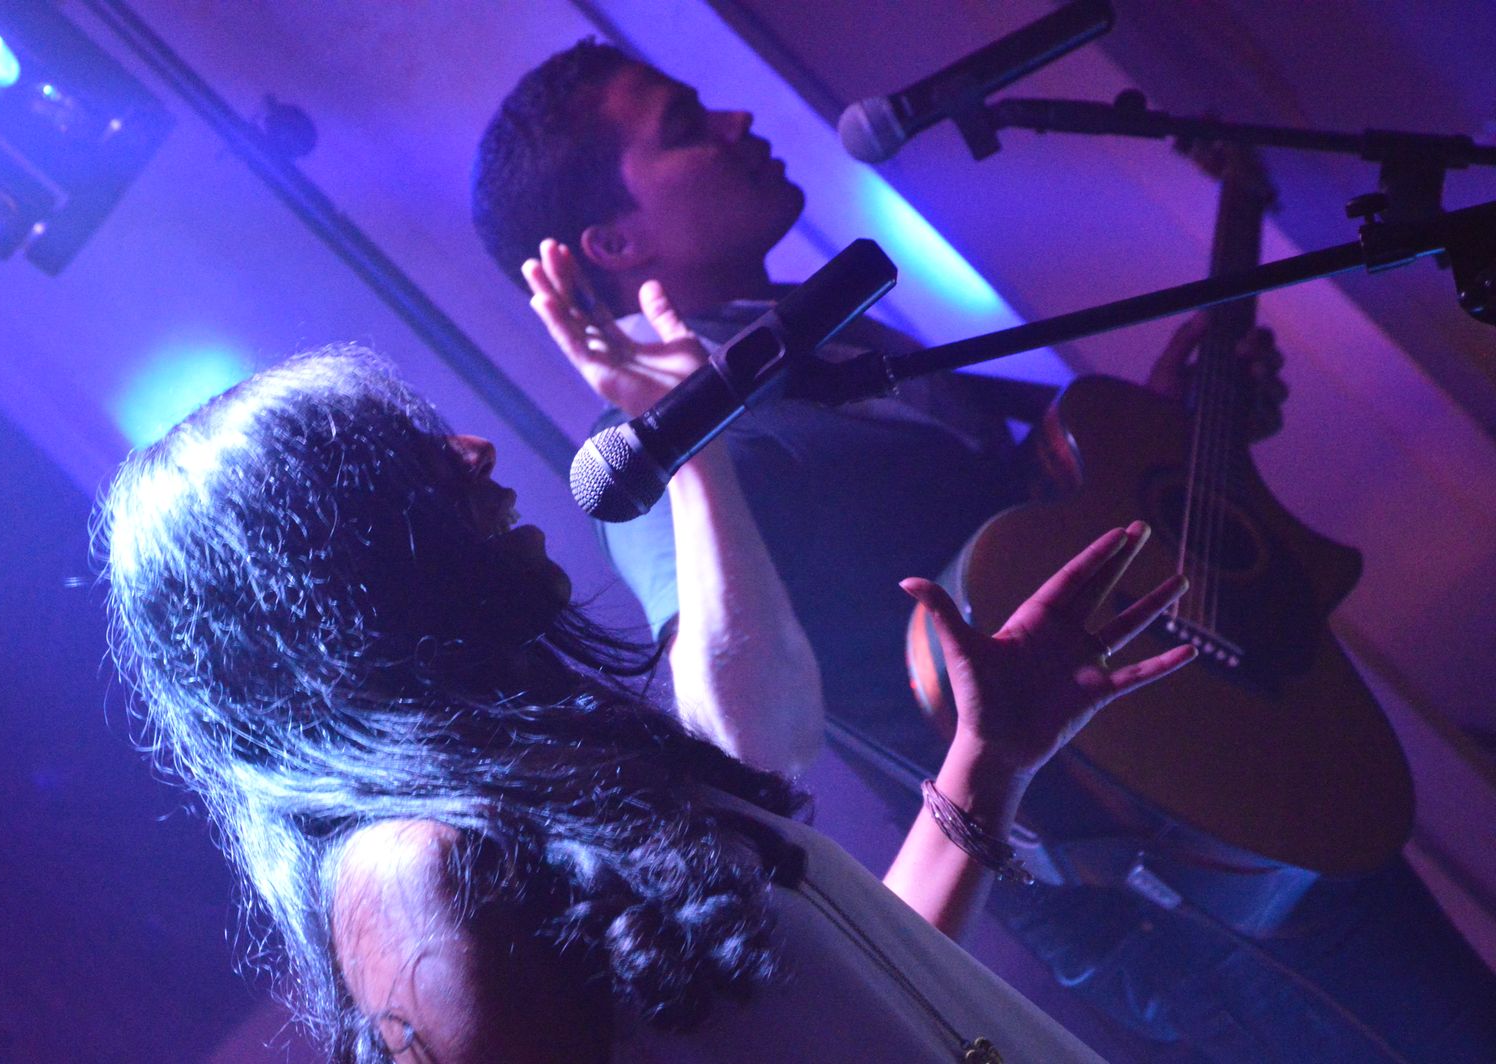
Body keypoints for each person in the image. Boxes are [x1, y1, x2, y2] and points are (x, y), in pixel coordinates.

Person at [471, 40, 1496, 1063]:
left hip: (1243, 750)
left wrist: (1155, 442)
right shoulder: (653, 457)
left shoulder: (836, 338)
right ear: (612, 244)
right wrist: (690, 457)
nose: (736, 124)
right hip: (1172, 890)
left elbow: (1016, 537)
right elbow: (743, 738)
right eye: (686, 129)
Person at [100, 346, 1193, 1062]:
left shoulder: (560, 782)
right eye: (407, 458)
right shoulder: (410, 867)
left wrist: (988, 759)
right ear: (333, 568)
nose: (473, 450)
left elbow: (865, 992)